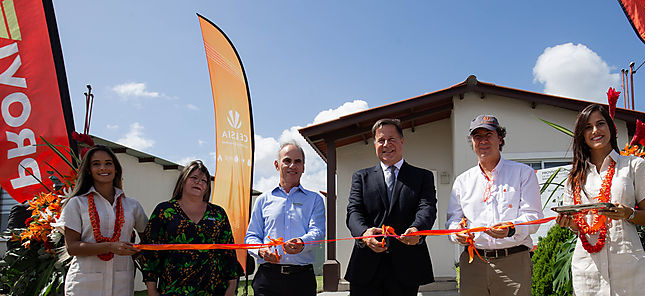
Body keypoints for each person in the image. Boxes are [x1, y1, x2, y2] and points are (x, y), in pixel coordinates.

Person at [555, 104, 645, 295]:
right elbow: (578, 226)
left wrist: (628, 213)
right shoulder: (575, 176)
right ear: (582, 135)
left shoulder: (634, 165)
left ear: (611, 128)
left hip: (628, 265)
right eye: (588, 127)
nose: (595, 131)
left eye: (600, 124)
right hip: (588, 268)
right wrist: (568, 222)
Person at [446, 114, 543, 296]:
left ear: (500, 139)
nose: (483, 141)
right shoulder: (462, 181)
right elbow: (453, 221)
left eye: (488, 135)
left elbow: (534, 217)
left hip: (513, 262)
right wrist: (456, 233)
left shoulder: (523, 173)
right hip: (473, 262)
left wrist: (511, 229)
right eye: (477, 137)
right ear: (472, 142)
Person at [345, 118, 437, 296]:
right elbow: (353, 211)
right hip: (366, 266)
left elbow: (427, 208)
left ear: (402, 142)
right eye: (381, 140)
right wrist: (364, 234)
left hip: (406, 266)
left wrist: (417, 230)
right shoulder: (361, 177)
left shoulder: (422, 176)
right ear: (374, 144)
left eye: (392, 139)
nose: (386, 144)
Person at [141, 160, 243, 296]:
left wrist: (232, 286)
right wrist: (152, 289)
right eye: (193, 178)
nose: (198, 182)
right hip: (174, 288)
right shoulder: (164, 210)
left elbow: (228, 251)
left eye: (204, 181)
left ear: (207, 187)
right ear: (183, 181)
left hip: (213, 289)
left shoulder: (218, 213)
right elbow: (150, 251)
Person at [59, 145, 148, 295]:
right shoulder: (77, 203)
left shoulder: (132, 205)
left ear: (116, 168)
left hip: (121, 284)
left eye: (108, 163)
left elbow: (148, 239)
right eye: (96, 164)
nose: (103, 168)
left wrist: (133, 252)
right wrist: (110, 247)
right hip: (84, 286)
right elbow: (72, 247)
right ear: (88, 170)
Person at [244, 142, 326, 295]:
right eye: (287, 161)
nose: (292, 166)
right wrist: (261, 250)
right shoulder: (263, 200)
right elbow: (251, 236)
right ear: (277, 165)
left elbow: (318, 231)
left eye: (298, 161)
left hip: (302, 281)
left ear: (303, 168)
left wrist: (302, 243)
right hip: (267, 279)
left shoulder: (315, 199)